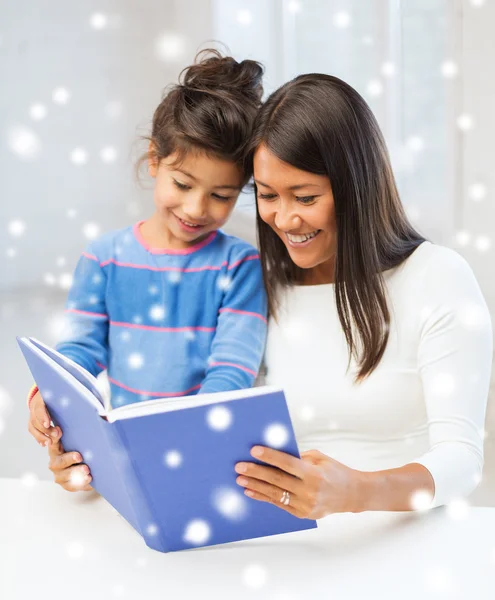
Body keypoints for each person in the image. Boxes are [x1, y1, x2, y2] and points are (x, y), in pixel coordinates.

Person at [233, 73, 493, 518]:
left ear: (357, 186)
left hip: (406, 554)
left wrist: (355, 493)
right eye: (268, 195)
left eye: (306, 196)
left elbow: (462, 462)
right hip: (290, 560)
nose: (284, 218)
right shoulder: (260, 288)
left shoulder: (436, 278)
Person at [26, 49, 268, 492]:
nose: (197, 208)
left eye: (222, 195)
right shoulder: (104, 259)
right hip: (128, 456)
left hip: (206, 454)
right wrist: (51, 396)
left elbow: (232, 371)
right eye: (183, 184)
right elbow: (80, 352)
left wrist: (189, 439)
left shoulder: (240, 266)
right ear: (154, 159)